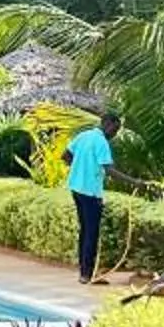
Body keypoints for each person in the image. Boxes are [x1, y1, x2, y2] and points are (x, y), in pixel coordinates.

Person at [65, 112, 119, 284]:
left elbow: (65, 155)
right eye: (115, 130)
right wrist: (136, 182)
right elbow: (109, 170)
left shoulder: (84, 136)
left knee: (84, 230)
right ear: (108, 125)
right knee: (91, 233)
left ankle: (84, 270)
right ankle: (87, 274)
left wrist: (80, 165)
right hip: (90, 193)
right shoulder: (101, 142)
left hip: (76, 189)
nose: (115, 134)